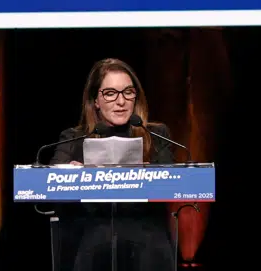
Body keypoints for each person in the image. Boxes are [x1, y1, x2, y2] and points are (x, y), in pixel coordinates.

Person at [48, 58, 179, 271]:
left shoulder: (155, 135)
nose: (121, 101)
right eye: (110, 93)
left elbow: (172, 184)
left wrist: (148, 174)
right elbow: (51, 187)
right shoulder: (73, 139)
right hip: (93, 248)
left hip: (148, 248)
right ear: (95, 100)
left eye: (128, 92)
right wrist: (76, 174)